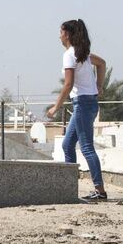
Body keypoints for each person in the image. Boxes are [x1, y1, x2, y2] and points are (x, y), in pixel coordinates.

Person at [46, 19, 108, 200]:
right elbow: (102, 63)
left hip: (82, 103)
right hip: (88, 102)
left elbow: (68, 84)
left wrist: (56, 107)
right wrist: (98, 86)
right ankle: (70, 187)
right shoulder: (83, 54)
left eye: (61, 32)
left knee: (87, 147)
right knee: (67, 144)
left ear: (68, 35)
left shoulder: (69, 55)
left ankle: (100, 191)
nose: (59, 35)